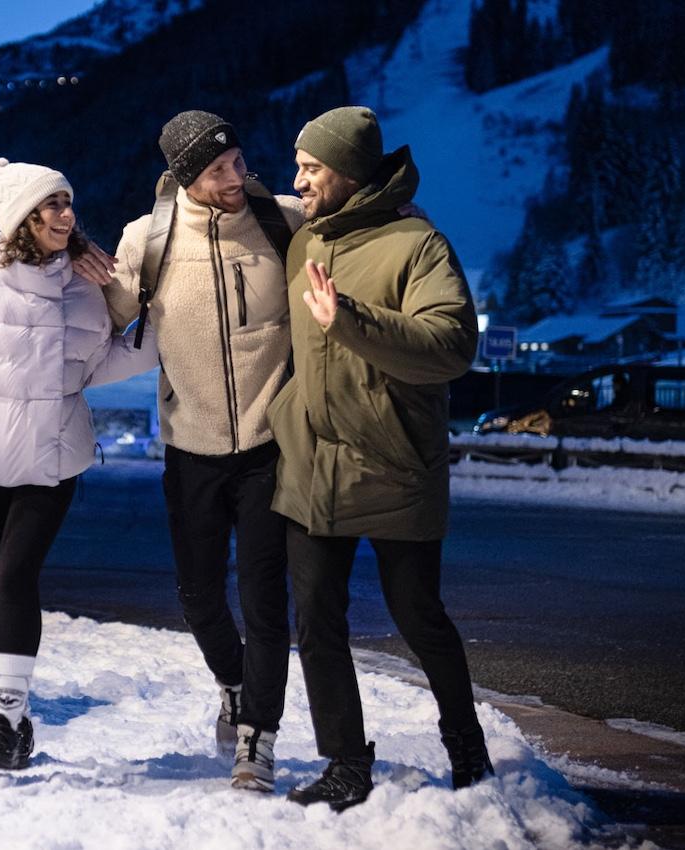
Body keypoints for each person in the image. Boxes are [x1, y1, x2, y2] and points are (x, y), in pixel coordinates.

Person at [266, 107, 493, 810]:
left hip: (394, 461)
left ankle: (466, 747)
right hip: (311, 465)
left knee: (418, 614)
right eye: (297, 166)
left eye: (312, 168)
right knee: (315, 620)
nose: (299, 180)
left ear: (351, 173)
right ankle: (345, 763)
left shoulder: (417, 244)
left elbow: (452, 344)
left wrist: (354, 320)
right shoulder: (302, 240)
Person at [0, 158, 156, 770]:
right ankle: (13, 716)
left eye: (70, 204)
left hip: (51, 465)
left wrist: (161, 333)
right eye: (53, 206)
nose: (67, 216)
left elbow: (97, 364)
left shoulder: (85, 290)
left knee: (16, 578)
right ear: (22, 218)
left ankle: (4, 718)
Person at [84, 111, 304, 792]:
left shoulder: (283, 221)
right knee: (199, 597)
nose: (236, 177)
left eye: (238, 160)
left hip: (272, 447)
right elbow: (98, 318)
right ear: (185, 177)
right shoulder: (148, 240)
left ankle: (258, 738)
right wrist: (58, 261)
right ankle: (234, 685)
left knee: (265, 601)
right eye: (217, 170)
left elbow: (357, 230)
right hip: (191, 449)